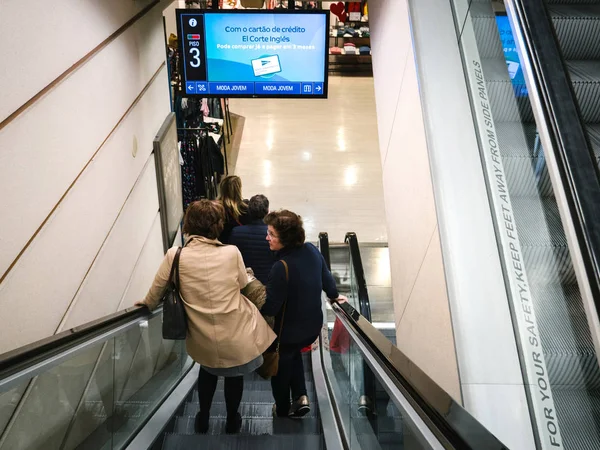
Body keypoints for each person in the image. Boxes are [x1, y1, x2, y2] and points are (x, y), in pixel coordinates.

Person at [137, 200, 276, 434]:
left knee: (207, 370)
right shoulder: (231, 253)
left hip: (201, 335)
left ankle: (203, 417)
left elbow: (154, 296)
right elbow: (243, 283)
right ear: (217, 226)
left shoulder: (175, 255)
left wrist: (145, 305)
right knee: (235, 375)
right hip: (235, 332)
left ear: (189, 224)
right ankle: (232, 420)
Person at [261, 210, 347, 417]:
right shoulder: (311, 250)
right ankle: (300, 397)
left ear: (286, 239)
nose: (267, 237)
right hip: (310, 327)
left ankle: (281, 408)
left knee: (280, 368)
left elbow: (271, 308)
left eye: (271, 234)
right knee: (293, 354)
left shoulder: (281, 267)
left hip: (286, 332)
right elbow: (327, 278)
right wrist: (335, 296)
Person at [229, 194, 275, 284]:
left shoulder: (236, 232)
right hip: (268, 281)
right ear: (267, 212)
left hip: (246, 281)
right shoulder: (274, 235)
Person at [218, 175, 250, 244]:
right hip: (240, 243)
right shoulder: (245, 208)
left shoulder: (216, 209)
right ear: (238, 190)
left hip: (221, 244)